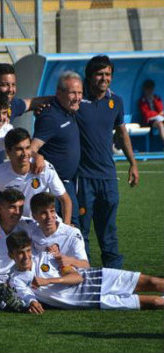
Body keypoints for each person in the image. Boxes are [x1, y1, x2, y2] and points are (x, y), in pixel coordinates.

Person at [76, 55, 138, 269]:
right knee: (81, 232)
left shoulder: (116, 101)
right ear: (90, 76)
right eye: (100, 74)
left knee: (108, 232)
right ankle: (83, 278)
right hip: (82, 179)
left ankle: (114, 276)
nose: (104, 78)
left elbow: (122, 133)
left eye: (108, 74)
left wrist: (133, 163)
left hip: (108, 177)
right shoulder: (77, 99)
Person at [6, 230, 164, 313]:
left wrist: (48, 281)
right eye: (20, 253)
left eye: (27, 251)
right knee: (157, 302)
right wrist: (32, 303)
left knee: (154, 282)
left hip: (99, 278)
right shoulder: (16, 279)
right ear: (11, 255)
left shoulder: (47, 256)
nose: (25, 256)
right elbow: (28, 297)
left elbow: (77, 277)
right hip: (94, 301)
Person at [0, 128, 72, 223]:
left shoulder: (45, 167)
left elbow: (65, 200)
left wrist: (66, 227)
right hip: (16, 226)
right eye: (19, 149)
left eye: (27, 148)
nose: (25, 154)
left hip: (43, 224)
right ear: (8, 152)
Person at [31, 71, 83, 226]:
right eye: (73, 93)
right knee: (56, 229)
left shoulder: (70, 111)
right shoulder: (50, 116)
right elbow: (32, 148)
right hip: (53, 188)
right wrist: (37, 156)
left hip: (69, 184)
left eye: (80, 93)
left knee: (72, 229)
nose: (78, 97)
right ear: (59, 93)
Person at [29, 192, 89, 269]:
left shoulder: (72, 234)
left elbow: (85, 265)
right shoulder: (30, 232)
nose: (49, 217)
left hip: (65, 277)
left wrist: (70, 261)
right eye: (44, 213)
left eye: (52, 211)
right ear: (34, 216)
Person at [139, 79, 164, 144]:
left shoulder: (156, 98)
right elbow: (146, 114)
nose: (149, 91)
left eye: (151, 89)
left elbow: (160, 110)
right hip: (149, 121)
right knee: (160, 124)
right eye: (147, 89)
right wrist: (157, 114)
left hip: (159, 118)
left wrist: (154, 100)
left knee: (161, 122)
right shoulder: (142, 101)